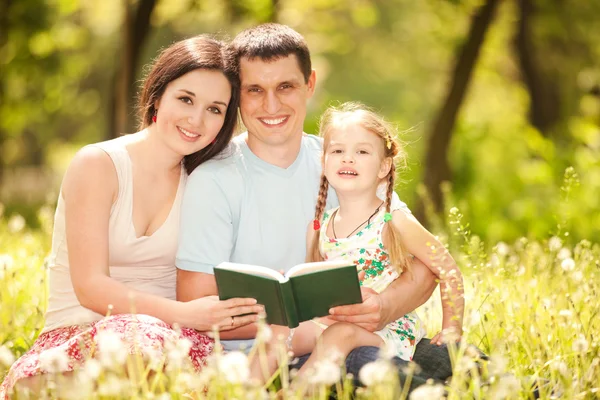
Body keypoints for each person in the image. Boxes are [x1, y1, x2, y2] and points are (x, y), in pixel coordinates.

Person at [176, 23, 454, 392]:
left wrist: (383, 307)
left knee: (464, 365)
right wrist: (301, 326)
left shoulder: (344, 160)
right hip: (271, 355)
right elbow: (196, 306)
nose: (271, 105)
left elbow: (425, 265)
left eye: (285, 86)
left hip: (369, 334)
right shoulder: (213, 180)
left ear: (310, 84)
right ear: (237, 96)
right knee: (386, 379)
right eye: (255, 90)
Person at [0, 35, 263, 399]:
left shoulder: (207, 184)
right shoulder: (99, 164)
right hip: (82, 338)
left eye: (215, 109)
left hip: (172, 343)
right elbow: (91, 287)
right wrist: (186, 315)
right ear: (157, 96)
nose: (196, 119)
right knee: (134, 343)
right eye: (185, 99)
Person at [250, 102, 464, 383]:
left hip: (386, 332)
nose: (347, 159)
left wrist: (452, 329)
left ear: (384, 166)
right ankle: (237, 390)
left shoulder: (392, 220)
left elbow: (447, 268)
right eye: (337, 151)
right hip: (332, 324)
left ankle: (294, 394)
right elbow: (314, 289)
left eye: (361, 152)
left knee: (340, 334)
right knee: (277, 331)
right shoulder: (319, 227)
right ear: (324, 161)